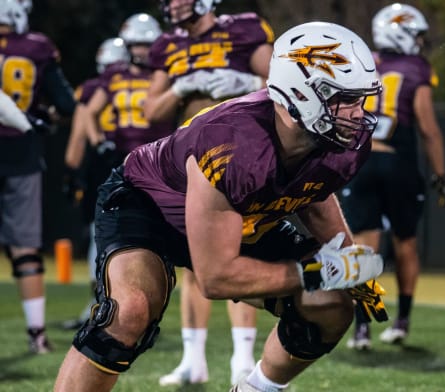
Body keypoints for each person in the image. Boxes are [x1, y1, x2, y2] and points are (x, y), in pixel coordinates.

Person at [53, 21, 386, 392]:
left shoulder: (339, 139)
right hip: (148, 204)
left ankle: (253, 388)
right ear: (301, 93)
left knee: (333, 304)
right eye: (345, 98)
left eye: (361, 99)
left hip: (240, 212)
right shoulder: (233, 142)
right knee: (129, 312)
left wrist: (348, 259)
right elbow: (215, 278)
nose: (358, 113)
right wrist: (318, 271)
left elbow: (316, 191)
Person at [144, 0, 274, 385]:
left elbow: (287, 85)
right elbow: (151, 110)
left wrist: (249, 85)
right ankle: (193, 359)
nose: (174, 4)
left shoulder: (246, 29)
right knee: (192, 260)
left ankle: (242, 359)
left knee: (239, 253)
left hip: (241, 152)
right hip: (189, 160)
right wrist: (182, 87)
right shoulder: (168, 44)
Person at [341, 3, 445, 350]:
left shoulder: (362, 62)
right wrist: (440, 173)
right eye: (416, 34)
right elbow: (427, 126)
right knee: (405, 244)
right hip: (398, 161)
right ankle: (401, 321)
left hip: (361, 160)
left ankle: (362, 327)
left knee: (362, 247)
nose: (419, 42)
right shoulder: (416, 68)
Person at [0, 0, 76, 354]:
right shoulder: (35, 47)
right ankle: (37, 336)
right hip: (21, 154)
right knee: (25, 248)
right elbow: (66, 104)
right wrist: (41, 114)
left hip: (20, 150)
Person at [61, 36, 131, 331]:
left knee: (98, 234)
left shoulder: (95, 87)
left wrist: (71, 170)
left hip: (104, 163)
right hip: (137, 158)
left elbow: (79, 131)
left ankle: (102, 305)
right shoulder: (138, 79)